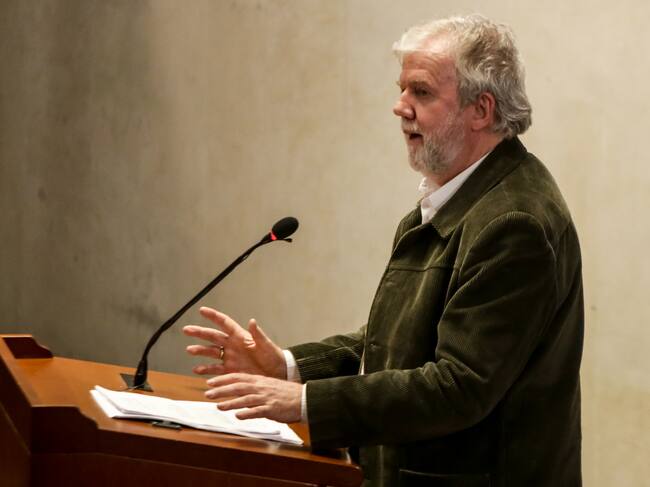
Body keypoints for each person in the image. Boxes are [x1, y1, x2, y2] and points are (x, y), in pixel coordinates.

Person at [183, 14, 583, 487]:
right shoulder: (459, 197)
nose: (400, 106)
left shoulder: (514, 223)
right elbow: (396, 341)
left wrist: (305, 403)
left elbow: (458, 386)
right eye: (402, 89)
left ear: (481, 109)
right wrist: (289, 367)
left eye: (422, 92)